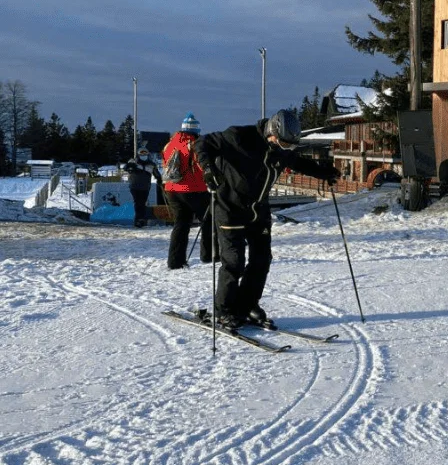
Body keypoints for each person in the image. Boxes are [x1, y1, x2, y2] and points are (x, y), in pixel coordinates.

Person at [192, 109, 339, 330]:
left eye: (290, 145)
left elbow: (297, 161)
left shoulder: (282, 147)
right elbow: (202, 143)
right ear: (271, 131)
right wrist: (208, 170)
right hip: (229, 207)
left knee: (262, 260)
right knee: (234, 262)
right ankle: (224, 311)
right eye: (283, 143)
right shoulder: (239, 137)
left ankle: (247, 305)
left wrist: (323, 172)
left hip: (258, 210)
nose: (286, 148)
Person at [162, 113, 213, 269]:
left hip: (172, 190)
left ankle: (175, 261)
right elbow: (200, 166)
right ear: (197, 130)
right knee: (209, 221)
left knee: (181, 224)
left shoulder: (170, 144)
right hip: (194, 190)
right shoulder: (196, 144)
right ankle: (208, 255)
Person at [124, 146, 163, 228]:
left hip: (145, 187)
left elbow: (156, 174)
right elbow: (126, 168)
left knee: (142, 203)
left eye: (145, 153)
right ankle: (138, 220)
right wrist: (130, 166)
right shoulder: (134, 162)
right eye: (141, 153)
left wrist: (159, 179)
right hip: (135, 186)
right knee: (138, 202)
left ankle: (141, 219)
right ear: (138, 154)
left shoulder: (151, 164)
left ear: (148, 154)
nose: (143, 155)